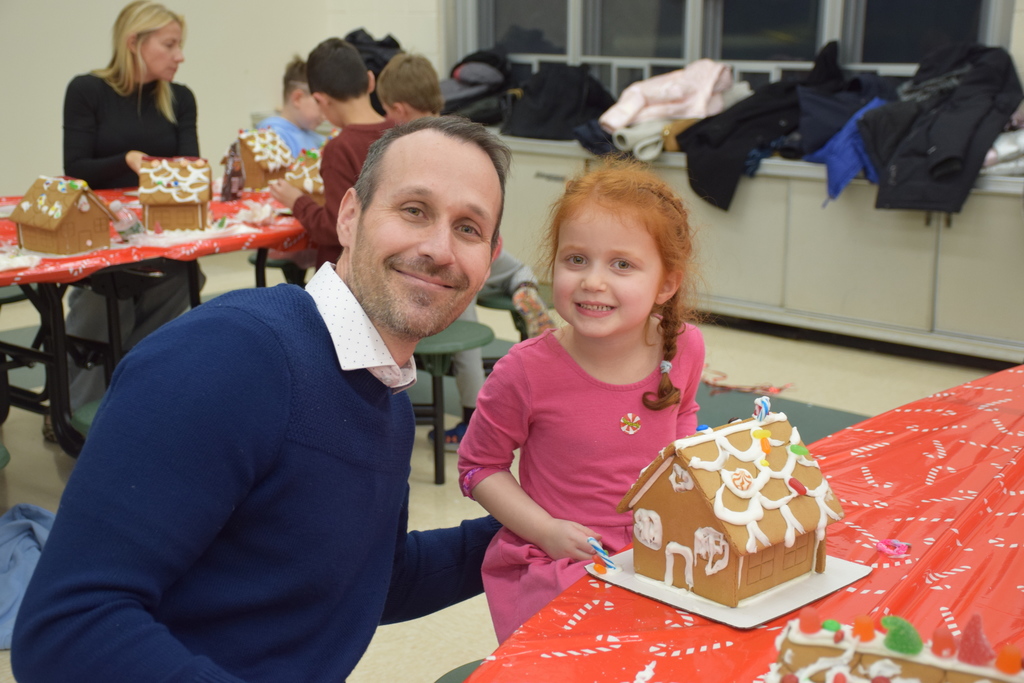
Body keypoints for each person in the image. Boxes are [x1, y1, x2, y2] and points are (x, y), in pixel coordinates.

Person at [12, 117, 511, 682]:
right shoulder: (228, 357)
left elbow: (366, 578)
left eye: (468, 228)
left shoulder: (386, 391)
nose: (439, 249)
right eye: (414, 210)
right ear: (350, 216)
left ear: (488, 259)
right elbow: (66, 630)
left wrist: (532, 526)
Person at [456, 158, 706, 642]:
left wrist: (684, 485)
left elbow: (685, 411)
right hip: (562, 564)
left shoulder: (684, 347)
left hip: (662, 551)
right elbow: (478, 467)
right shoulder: (524, 372)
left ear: (667, 284)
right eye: (576, 260)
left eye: (622, 264)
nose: (593, 280)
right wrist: (546, 530)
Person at [376, 52, 556, 448]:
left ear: (400, 110)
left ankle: (472, 413)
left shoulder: (411, 147)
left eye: (388, 112)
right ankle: (522, 283)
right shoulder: (463, 132)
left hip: (459, 254)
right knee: (501, 268)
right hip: (486, 244)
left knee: (458, 307)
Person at [59, 0, 202, 428]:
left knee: (186, 277)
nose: (180, 55)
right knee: (105, 300)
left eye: (180, 45)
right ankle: (72, 411)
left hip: (159, 232)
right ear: (134, 42)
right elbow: (76, 169)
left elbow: (189, 164)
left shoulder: (180, 97)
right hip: (99, 231)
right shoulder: (87, 91)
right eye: (170, 44)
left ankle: (127, 383)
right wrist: (130, 159)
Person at [269, 37, 393, 268]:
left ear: (320, 100)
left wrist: (297, 201)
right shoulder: (401, 132)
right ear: (370, 81)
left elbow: (334, 228)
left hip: (348, 277)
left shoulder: (340, 148)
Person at [256, 55, 326, 157]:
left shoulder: (317, 139)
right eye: (320, 103)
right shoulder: (272, 137)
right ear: (297, 98)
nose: (325, 116)